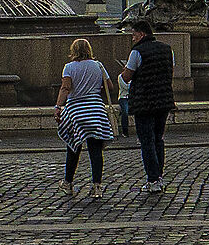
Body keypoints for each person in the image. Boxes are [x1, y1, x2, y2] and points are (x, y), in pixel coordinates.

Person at [53, 37, 115, 199]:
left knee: (73, 147)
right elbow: (109, 86)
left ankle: (68, 183)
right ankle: (97, 186)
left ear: (73, 51)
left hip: (76, 112)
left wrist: (58, 107)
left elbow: (65, 88)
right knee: (95, 150)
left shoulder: (69, 67)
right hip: (95, 111)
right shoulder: (98, 66)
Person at [122, 19, 176, 193]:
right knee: (158, 139)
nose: (132, 39)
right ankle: (158, 175)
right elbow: (170, 70)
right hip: (164, 100)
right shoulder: (167, 49)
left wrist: (123, 72)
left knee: (146, 141)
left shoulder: (137, 52)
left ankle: (153, 179)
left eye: (133, 35)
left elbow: (127, 77)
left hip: (144, 102)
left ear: (141, 34)